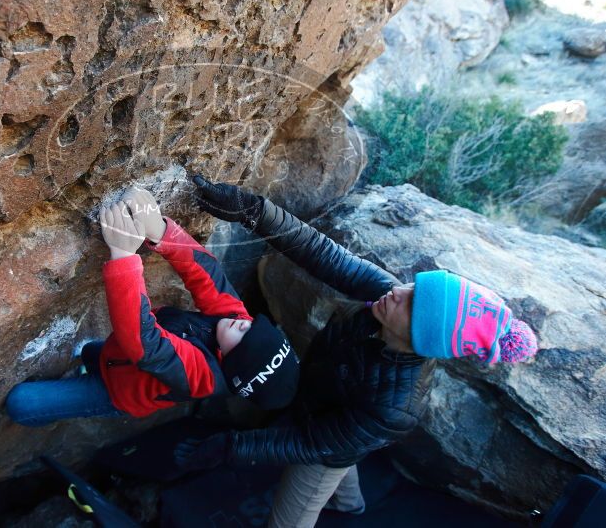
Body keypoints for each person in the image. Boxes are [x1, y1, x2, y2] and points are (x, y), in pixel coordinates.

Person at [175, 176, 539, 528]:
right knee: (345, 442)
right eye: (415, 286)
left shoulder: (395, 408)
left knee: (300, 504)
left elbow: (311, 443)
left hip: (325, 444)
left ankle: (347, 503)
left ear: (420, 338)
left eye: (413, 303)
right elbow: (325, 255)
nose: (400, 290)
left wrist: (229, 447)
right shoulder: (387, 297)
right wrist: (252, 210)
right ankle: (351, 504)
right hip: (325, 406)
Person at [5, 187, 300, 426]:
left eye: (246, 341)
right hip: (117, 354)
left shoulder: (202, 378)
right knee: (90, 353)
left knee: (22, 403)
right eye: (255, 327)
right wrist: (160, 231)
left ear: (231, 364)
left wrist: (123, 255)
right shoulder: (237, 323)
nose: (244, 324)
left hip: (119, 393)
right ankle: (85, 367)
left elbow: (144, 343)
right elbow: (208, 275)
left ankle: (63, 402)